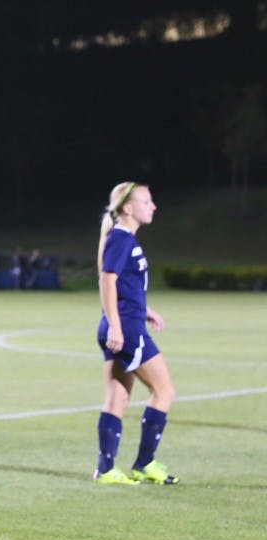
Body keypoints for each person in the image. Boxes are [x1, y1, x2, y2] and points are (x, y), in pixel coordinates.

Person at [93, 181, 178, 486]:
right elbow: (107, 281)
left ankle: (105, 470)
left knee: (118, 395)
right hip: (125, 329)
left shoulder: (123, 238)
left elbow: (125, 286)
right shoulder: (121, 239)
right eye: (146, 201)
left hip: (123, 323)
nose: (152, 206)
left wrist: (146, 309)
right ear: (128, 208)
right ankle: (144, 464)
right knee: (164, 391)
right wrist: (117, 325)